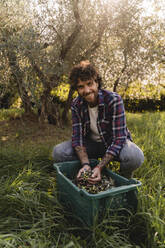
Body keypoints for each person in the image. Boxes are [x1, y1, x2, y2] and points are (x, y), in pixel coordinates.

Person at [52, 61, 144, 182]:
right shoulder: (76, 105)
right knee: (59, 152)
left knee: (135, 156)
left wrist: (100, 167)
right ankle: (83, 173)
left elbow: (119, 138)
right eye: (81, 86)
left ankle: (122, 180)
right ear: (77, 89)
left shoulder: (114, 100)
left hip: (112, 143)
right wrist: (85, 164)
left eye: (89, 84)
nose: (87, 90)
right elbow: (77, 137)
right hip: (91, 145)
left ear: (97, 82)